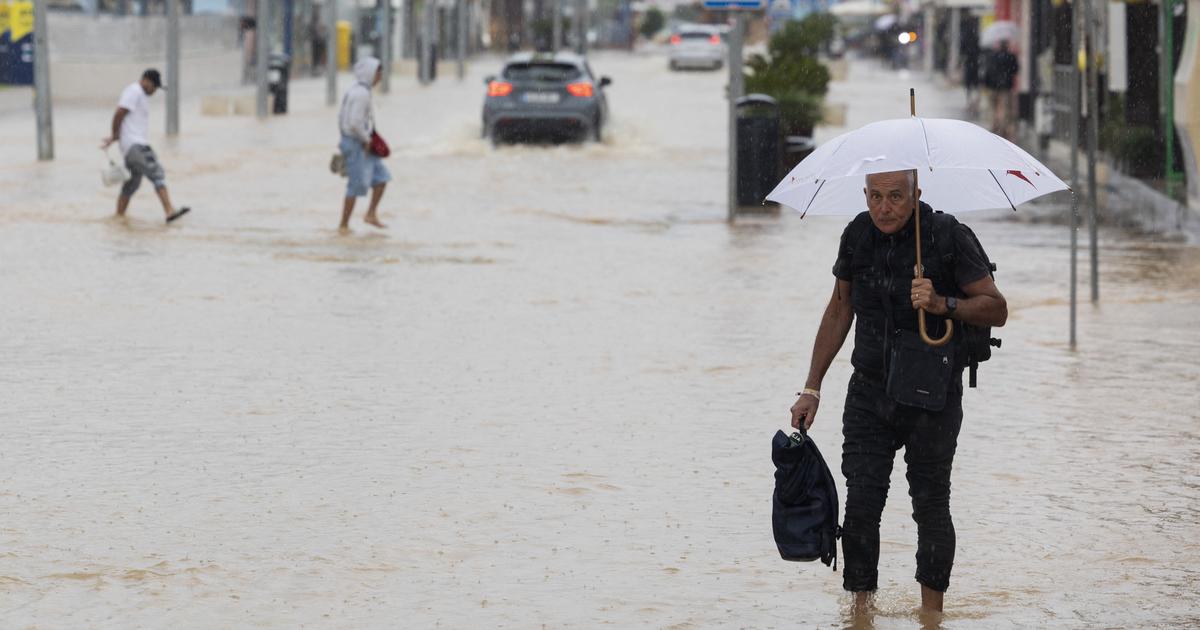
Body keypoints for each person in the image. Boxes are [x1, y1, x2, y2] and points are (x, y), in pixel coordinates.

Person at [788, 170, 1008, 615]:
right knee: (862, 504)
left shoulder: (947, 235)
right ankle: (860, 614)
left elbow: (996, 308)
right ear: (864, 195)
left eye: (894, 197)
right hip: (869, 391)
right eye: (875, 196)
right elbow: (839, 308)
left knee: (930, 505)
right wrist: (811, 387)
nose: (883, 208)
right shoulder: (856, 235)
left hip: (932, 394)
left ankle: (932, 616)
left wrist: (943, 302)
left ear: (915, 195)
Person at [101, 69, 190, 223]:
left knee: (132, 184)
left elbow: (122, 115)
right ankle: (169, 211)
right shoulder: (134, 91)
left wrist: (115, 137)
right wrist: (115, 134)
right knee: (157, 174)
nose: (155, 90)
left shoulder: (137, 94)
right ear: (146, 81)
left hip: (130, 148)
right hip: (137, 146)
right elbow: (119, 113)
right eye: (154, 87)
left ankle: (118, 218)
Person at [337, 57, 390, 232]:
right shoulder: (361, 94)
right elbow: (354, 123)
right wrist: (366, 140)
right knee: (355, 184)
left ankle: (371, 214)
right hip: (357, 143)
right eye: (378, 73)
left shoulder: (357, 90)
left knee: (381, 177)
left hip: (358, 141)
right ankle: (343, 225)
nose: (380, 77)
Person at [984, 40, 1019, 139]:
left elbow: (988, 71)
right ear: (1007, 46)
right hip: (1006, 86)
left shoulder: (993, 56)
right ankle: (1004, 128)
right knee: (1006, 108)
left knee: (993, 107)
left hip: (993, 86)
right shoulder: (1011, 57)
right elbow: (1015, 70)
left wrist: (987, 83)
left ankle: (994, 124)